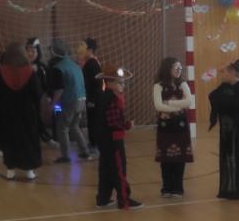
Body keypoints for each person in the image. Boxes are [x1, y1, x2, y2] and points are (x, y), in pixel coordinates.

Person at [93, 64, 142, 210]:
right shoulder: (113, 98)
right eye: (120, 83)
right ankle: (124, 199)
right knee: (119, 168)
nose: (123, 85)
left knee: (106, 169)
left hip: (103, 139)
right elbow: (113, 122)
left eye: (123, 83)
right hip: (113, 140)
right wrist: (127, 125)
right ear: (109, 82)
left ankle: (102, 199)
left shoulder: (103, 96)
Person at [0, 42, 43, 181]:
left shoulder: (2, 72)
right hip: (27, 112)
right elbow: (37, 94)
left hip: (8, 113)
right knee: (28, 139)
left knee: (10, 140)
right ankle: (29, 171)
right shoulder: (30, 72)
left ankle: (10, 170)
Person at [208, 59, 239, 200]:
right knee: (227, 156)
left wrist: (223, 101)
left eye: (224, 72)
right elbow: (212, 96)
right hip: (227, 130)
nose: (222, 75)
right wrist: (225, 101)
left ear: (232, 73)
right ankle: (228, 189)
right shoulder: (224, 86)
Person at [153, 56, 194, 198]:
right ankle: (166, 187)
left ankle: (178, 188)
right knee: (165, 158)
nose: (179, 70)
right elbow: (158, 106)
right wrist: (178, 107)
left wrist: (169, 103)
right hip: (165, 127)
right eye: (176, 67)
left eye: (180, 67)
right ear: (167, 68)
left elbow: (188, 102)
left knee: (179, 158)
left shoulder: (183, 84)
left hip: (180, 126)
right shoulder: (158, 86)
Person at [49, 40, 91, 164]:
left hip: (70, 101)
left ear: (54, 52)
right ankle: (85, 151)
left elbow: (59, 90)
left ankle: (65, 156)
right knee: (74, 126)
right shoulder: (75, 65)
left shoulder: (58, 68)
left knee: (62, 128)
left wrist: (52, 104)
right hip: (81, 100)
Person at [26, 37, 55, 146]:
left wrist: (48, 97)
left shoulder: (42, 67)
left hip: (40, 99)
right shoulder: (22, 66)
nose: (30, 54)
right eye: (28, 51)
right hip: (26, 99)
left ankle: (44, 136)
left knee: (39, 118)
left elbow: (47, 83)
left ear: (38, 52)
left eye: (32, 51)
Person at [82, 38, 103, 148]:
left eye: (83, 47)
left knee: (93, 121)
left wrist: (92, 100)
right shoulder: (91, 62)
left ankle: (94, 144)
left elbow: (96, 83)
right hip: (93, 97)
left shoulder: (92, 63)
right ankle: (94, 143)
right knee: (92, 120)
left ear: (90, 50)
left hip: (94, 98)